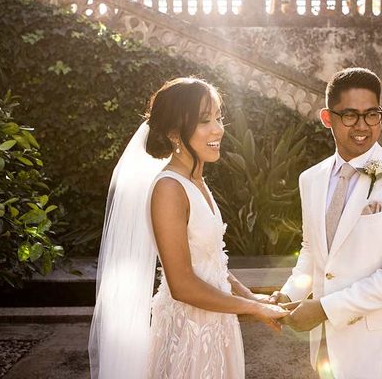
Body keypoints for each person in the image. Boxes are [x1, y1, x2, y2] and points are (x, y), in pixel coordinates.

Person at [88, 77, 287, 379]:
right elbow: (181, 284)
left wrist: (252, 297)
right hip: (189, 335)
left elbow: (210, 262)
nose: (218, 129)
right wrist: (251, 308)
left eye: (219, 117)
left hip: (217, 326)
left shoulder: (197, 181)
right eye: (204, 120)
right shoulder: (169, 188)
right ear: (173, 133)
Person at [270, 67, 382, 379]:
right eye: (349, 115)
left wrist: (324, 309)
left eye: (371, 114)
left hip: (379, 350)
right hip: (325, 349)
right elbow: (312, 251)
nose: (362, 126)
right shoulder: (311, 178)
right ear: (327, 118)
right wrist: (289, 294)